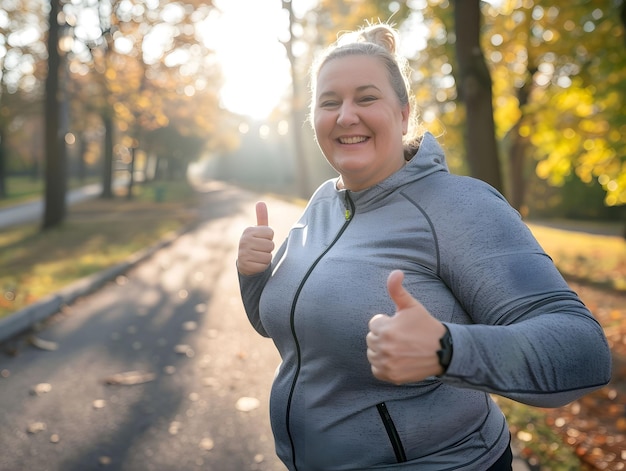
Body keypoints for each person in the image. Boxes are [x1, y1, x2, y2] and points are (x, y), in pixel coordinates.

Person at [237, 22, 612, 471]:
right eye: (329, 102)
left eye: (367, 97)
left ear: (402, 113)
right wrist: (253, 278)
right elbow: (284, 328)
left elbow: (584, 352)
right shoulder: (322, 202)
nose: (345, 115)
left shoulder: (461, 206)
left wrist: (447, 351)